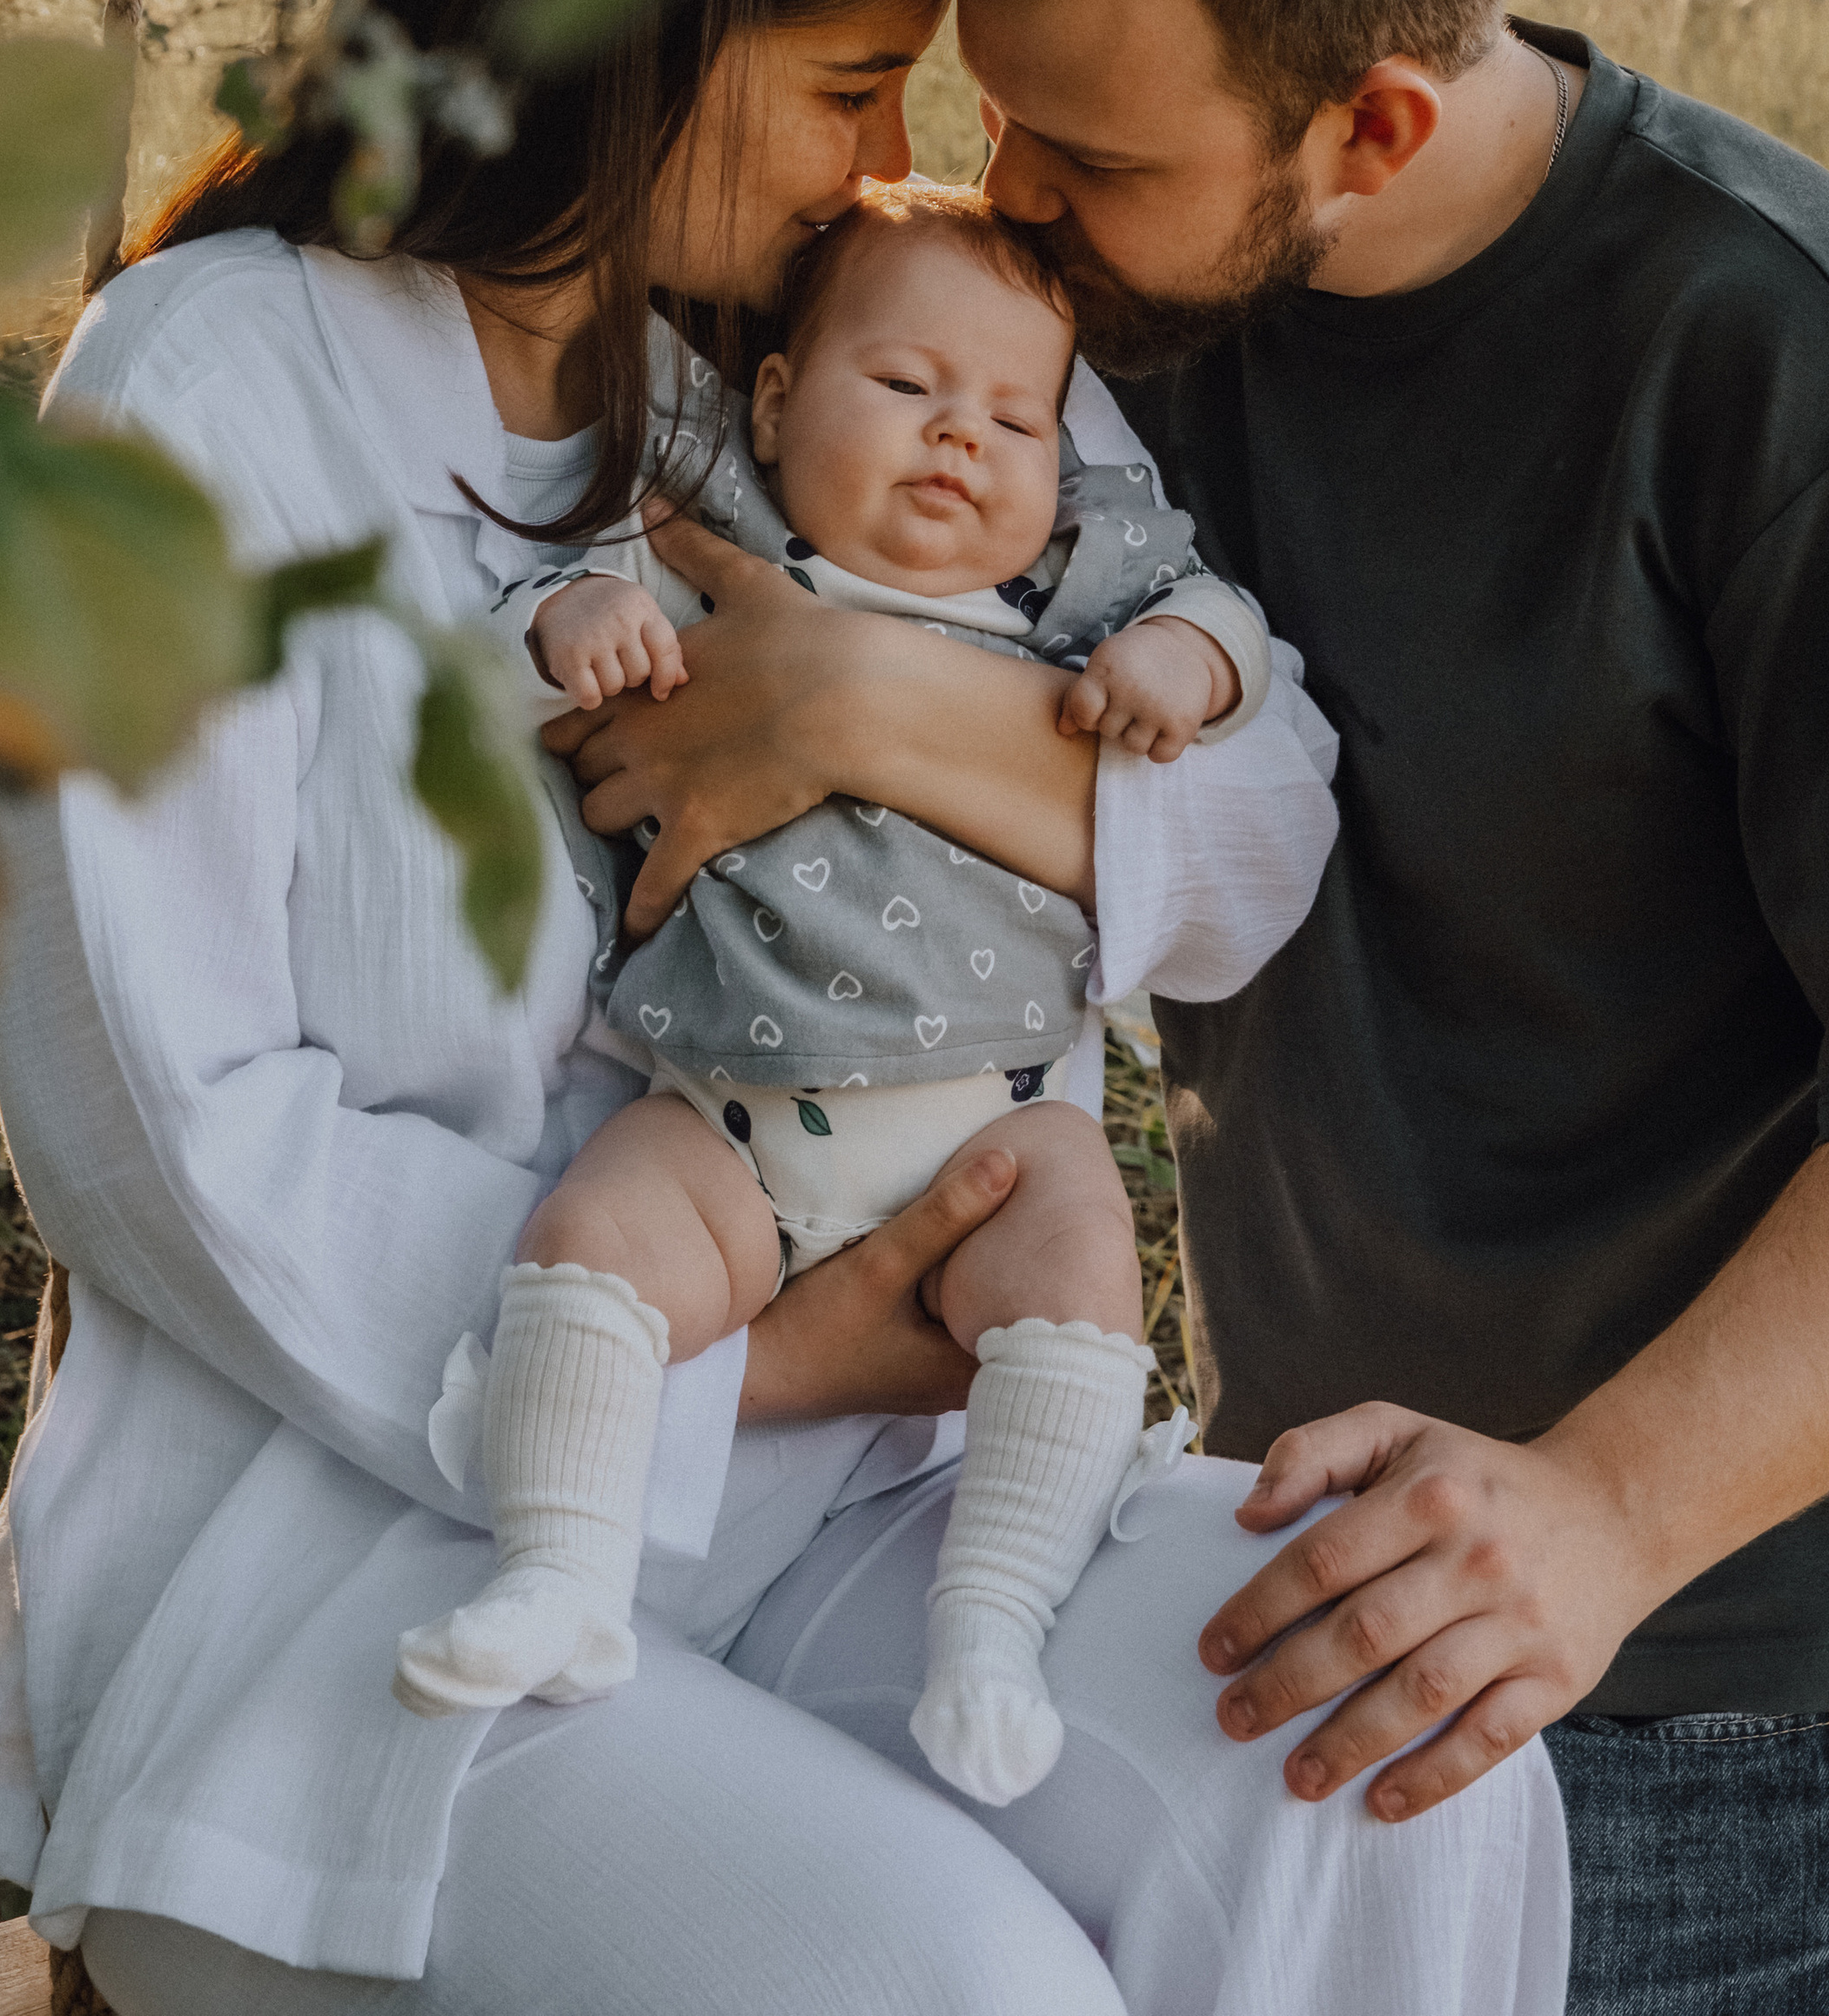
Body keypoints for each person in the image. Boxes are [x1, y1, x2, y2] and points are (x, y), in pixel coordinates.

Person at [0, 0, 1570, 2016]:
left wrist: (872, 701)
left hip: (879, 1513)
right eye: (848, 88)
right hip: (345, 1567)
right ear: (636, 33)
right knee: (957, 1994)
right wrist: (776, 1349)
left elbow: (1256, 824)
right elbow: (157, 1134)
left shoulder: (822, 346)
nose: (891, 164)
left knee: (1393, 1770)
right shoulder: (205, 396)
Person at [893, 0, 1829, 2011]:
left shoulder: (1783, 362)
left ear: (1373, 127)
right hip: (1294, 1623)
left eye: (1092, 159)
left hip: (1753, 1718)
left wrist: (1598, 1518)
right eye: (1002, 118)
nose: (1017, 202)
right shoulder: (1128, 331)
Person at [393, 179, 1300, 1812]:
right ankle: (559, 1573)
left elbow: (1232, 628)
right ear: (777, 399)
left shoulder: (1073, 590)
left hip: (994, 1128)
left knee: (1083, 1267)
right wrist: (575, 615)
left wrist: (1192, 669)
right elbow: (520, 606)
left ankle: (994, 1626)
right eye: (908, 389)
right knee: (589, 1250)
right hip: (727, 1117)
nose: (965, 437)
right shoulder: (710, 531)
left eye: (1016, 416)